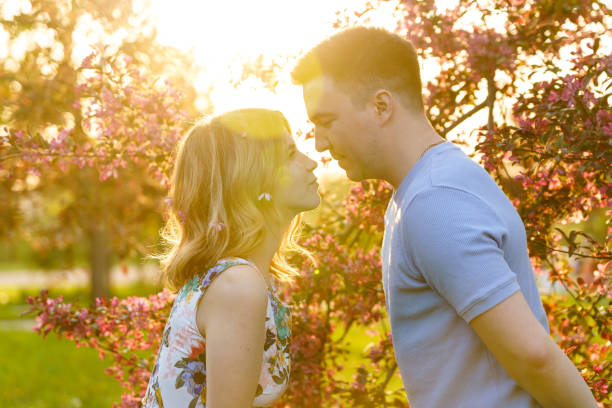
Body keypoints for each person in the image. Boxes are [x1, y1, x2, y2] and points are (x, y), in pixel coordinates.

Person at [292, 27, 598, 408]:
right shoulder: (428, 188)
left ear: (381, 106)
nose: (319, 142)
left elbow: (533, 355)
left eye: (326, 120)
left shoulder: (433, 201)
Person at [142, 108, 319, 407]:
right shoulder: (238, 285)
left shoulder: (236, 277)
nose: (312, 163)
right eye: (290, 155)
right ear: (252, 177)